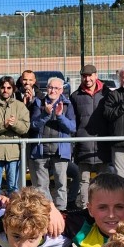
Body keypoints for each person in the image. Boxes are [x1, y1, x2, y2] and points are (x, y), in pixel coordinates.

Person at [30, 77, 77, 210]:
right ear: (47, 88)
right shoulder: (39, 103)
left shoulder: (67, 104)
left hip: (60, 151)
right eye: (50, 87)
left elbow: (72, 127)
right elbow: (33, 125)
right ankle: (48, 211)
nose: (53, 90)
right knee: (41, 186)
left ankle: (61, 211)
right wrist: (45, 114)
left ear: (61, 90)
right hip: (41, 151)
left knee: (61, 184)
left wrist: (60, 116)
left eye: (56, 88)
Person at [70, 64, 111, 209]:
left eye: (90, 75)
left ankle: (103, 207)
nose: (87, 79)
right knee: (84, 180)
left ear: (96, 75)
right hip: (83, 144)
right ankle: (84, 209)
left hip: (102, 145)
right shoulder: (75, 96)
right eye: (84, 76)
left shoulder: (107, 94)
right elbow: (72, 122)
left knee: (103, 181)